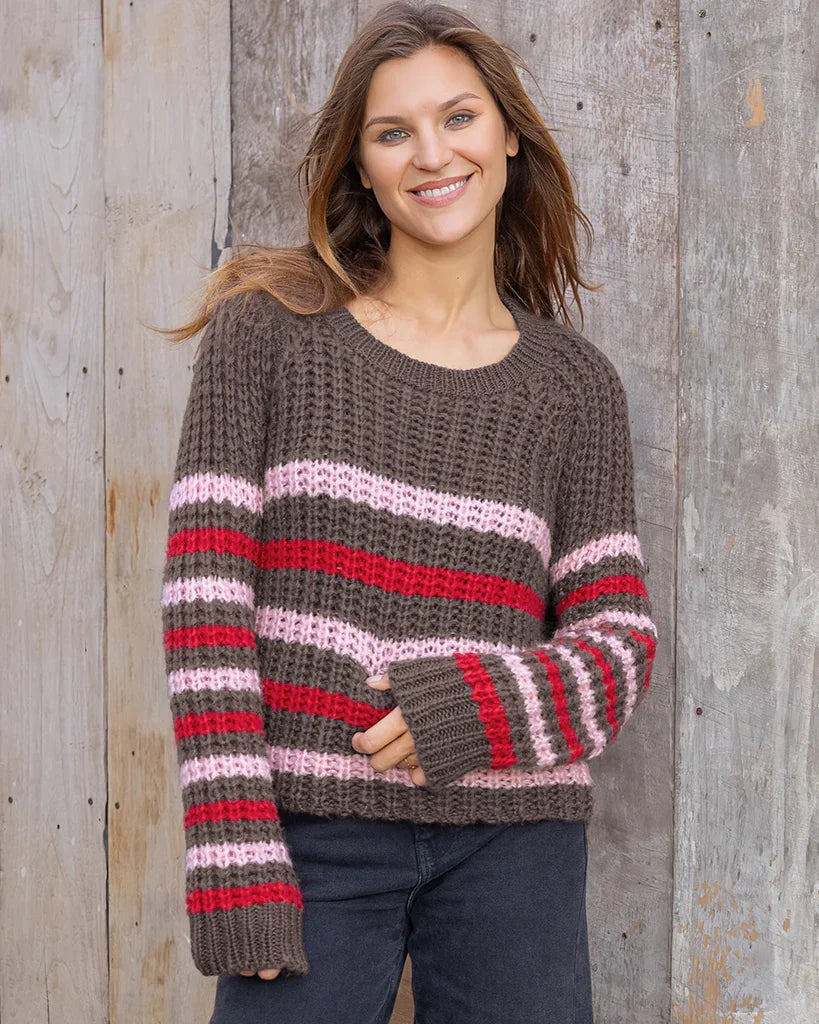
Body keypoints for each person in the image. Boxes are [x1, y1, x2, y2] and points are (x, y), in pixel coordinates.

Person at [157, 3, 658, 1022]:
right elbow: (205, 605)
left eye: (459, 117)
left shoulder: (573, 388)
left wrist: (476, 704)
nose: (432, 154)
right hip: (312, 836)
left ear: (507, 135)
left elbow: (620, 645)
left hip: (515, 843)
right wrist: (233, 846)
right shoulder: (270, 333)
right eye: (394, 132)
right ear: (362, 163)